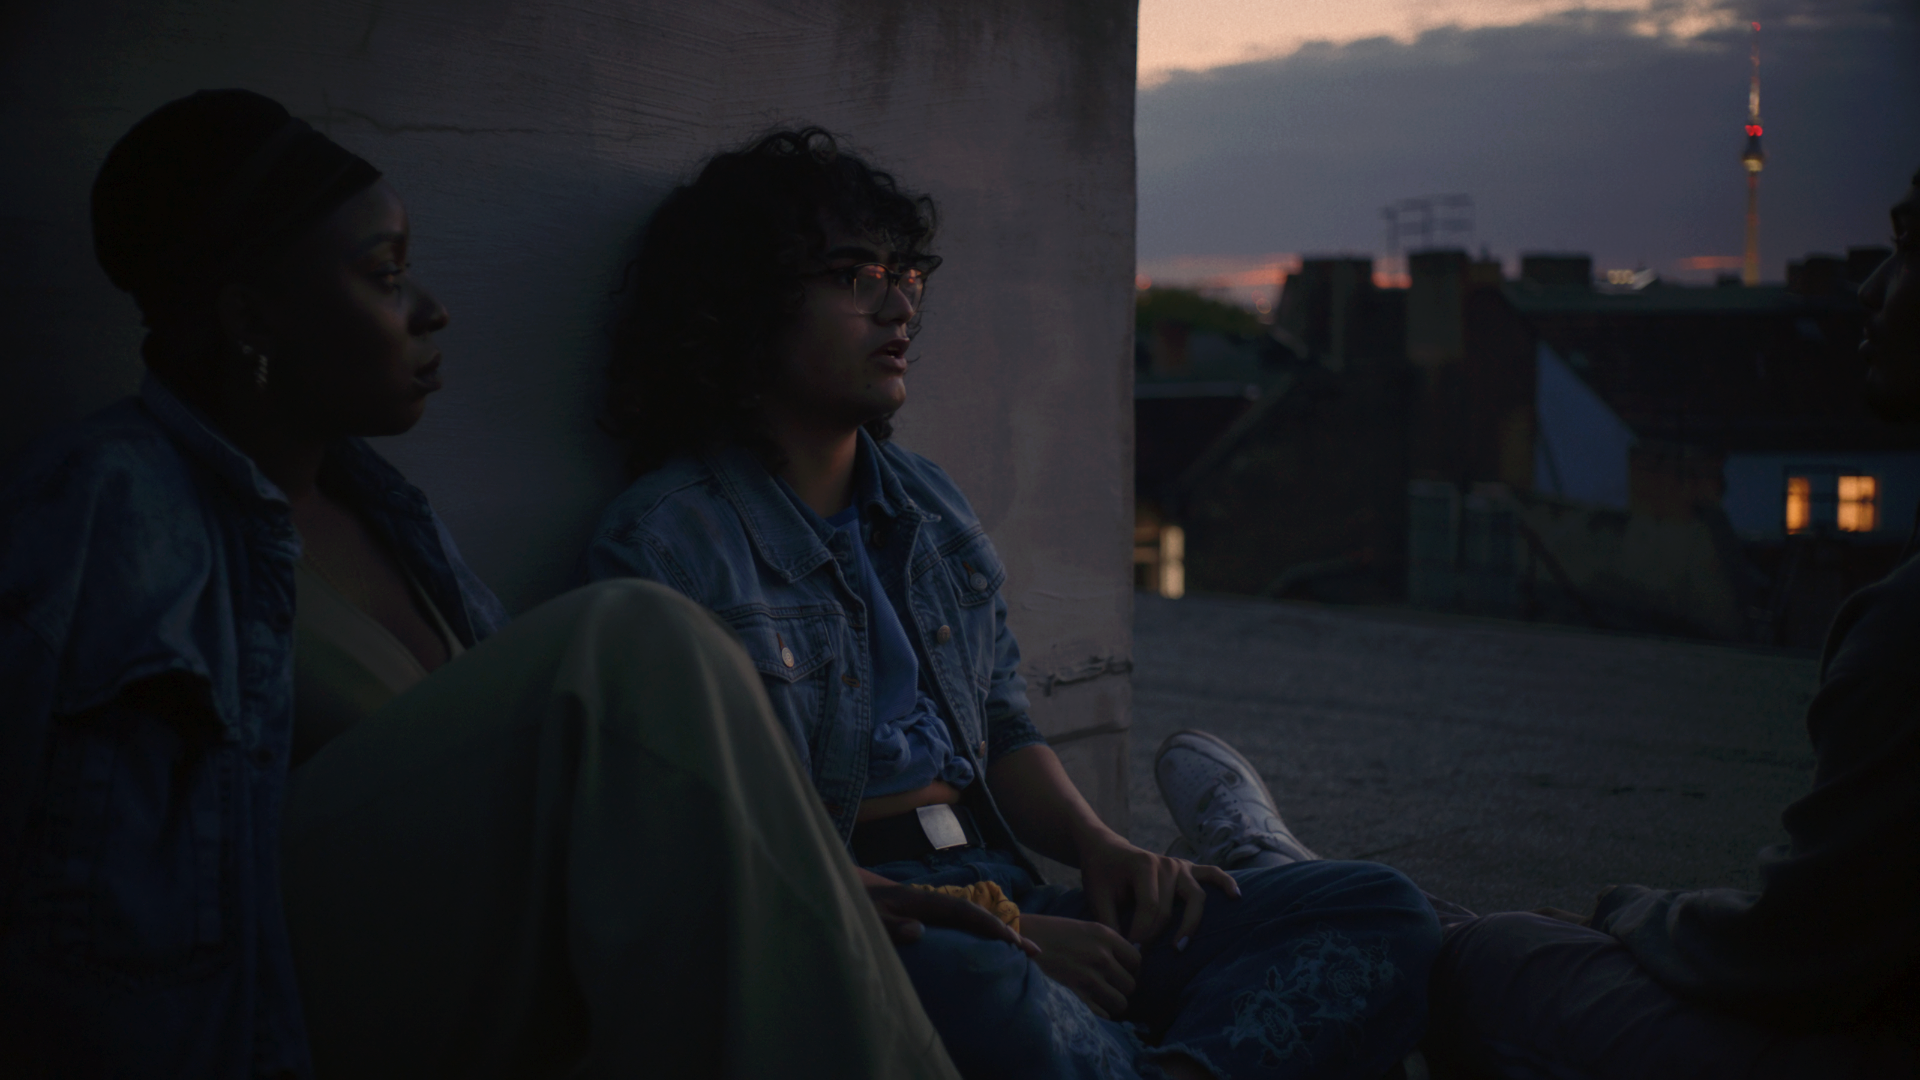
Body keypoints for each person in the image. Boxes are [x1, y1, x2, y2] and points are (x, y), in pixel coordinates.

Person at [0, 90, 981, 1079]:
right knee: (639, 638)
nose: (431, 309)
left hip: (461, 960)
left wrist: (802, 883)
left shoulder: (386, 513)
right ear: (253, 317)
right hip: (275, 992)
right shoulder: (106, 502)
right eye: (386, 277)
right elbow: (81, 902)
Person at [589, 127, 1442, 1080]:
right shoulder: (668, 542)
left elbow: (1001, 726)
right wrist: (1007, 934)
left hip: (1000, 884)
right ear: (744, 305)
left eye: (907, 274)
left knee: (1374, 908)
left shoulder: (930, 506)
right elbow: (715, 839)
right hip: (866, 926)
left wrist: (1103, 848)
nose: (899, 303)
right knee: (978, 986)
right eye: (855, 275)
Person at [1401, 173, 1920, 1078]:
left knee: (1480, 957)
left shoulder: (1904, 631)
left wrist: (1629, 912)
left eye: (1912, 248)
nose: (1872, 286)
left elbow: (1788, 955)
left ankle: (1299, 888)